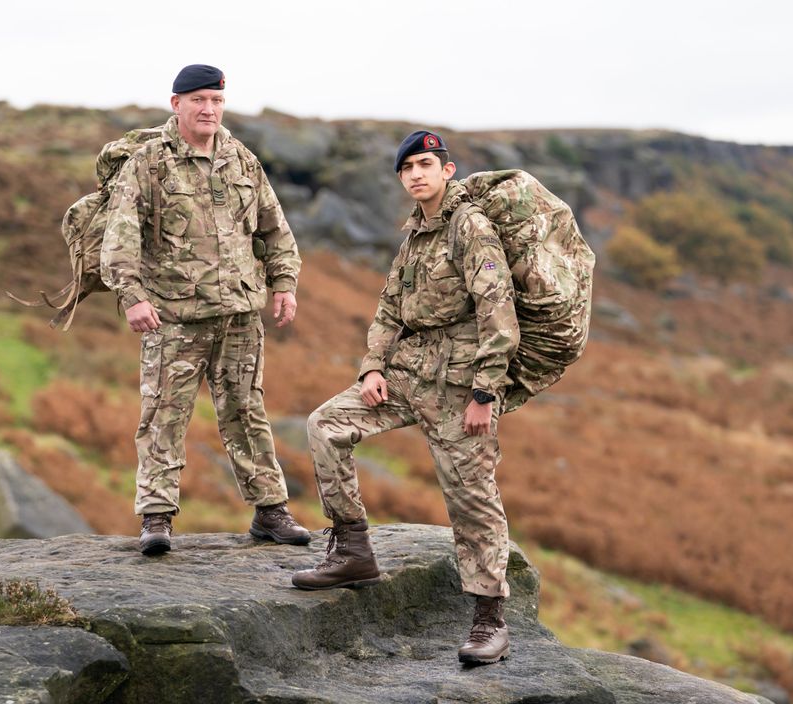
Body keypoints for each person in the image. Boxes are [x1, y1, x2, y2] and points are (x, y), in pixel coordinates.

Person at [291, 130, 519, 665]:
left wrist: (485, 393)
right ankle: (352, 551)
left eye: (426, 164)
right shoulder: (414, 236)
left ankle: (490, 622)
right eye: (407, 168)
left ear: (448, 170)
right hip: (406, 377)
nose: (416, 174)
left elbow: (498, 313)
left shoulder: (472, 229)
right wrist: (372, 367)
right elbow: (388, 310)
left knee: (472, 499)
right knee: (325, 425)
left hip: (460, 388)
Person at [101, 64, 310, 555]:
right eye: (198, 100)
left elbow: (274, 230)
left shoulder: (241, 159)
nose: (209, 109)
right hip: (173, 316)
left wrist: (284, 284)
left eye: (216, 101)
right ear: (176, 105)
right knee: (163, 416)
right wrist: (132, 296)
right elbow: (120, 237)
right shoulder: (149, 163)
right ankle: (156, 517)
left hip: (239, 315)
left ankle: (270, 511)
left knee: (247, 412)